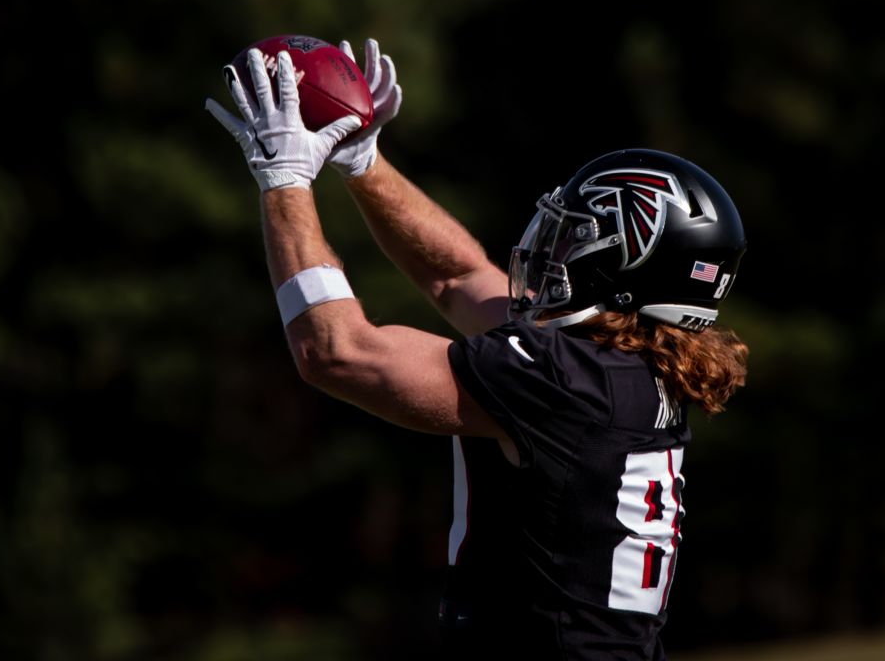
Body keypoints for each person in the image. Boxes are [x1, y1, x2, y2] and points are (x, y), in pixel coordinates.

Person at [206, 38, 749, 660]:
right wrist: (363, 162)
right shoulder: (629, 364)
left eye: (576, 237)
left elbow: (338, 352)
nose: (550, 251)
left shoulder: (565, 378)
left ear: (626, 268)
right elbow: (458, 276)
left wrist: (284, 181)